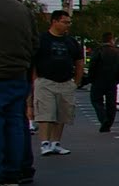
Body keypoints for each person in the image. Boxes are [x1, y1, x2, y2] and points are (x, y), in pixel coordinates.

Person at [0, 0, 36, 186]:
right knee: (15, 122)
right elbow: (34, 44)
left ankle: (5, 171)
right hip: (18, 73)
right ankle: (15, 172)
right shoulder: (23, 11)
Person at [33, 10, 84, 156]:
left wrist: (76, 81)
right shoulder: (42, 39)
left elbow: (79, 61)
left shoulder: (71, 41)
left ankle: (56, 143)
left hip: (66, 82)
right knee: (46, 114)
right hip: (45, 82)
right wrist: (35, 80)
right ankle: (45, 143)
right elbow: (33, 61)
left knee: (62, 114)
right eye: (65, 22)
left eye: (69, 22)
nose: (68, 25)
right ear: (54, 22)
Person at [87, 32, 119, 132]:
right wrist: (118, 79)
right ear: (111, 40)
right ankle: (108, 122)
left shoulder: (98, 51)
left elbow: (92, 66)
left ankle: (103, 118)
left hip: (98, 80)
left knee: (96, 100)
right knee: (111, 103)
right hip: (112, 81)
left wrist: (90, 78)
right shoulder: (118, 52)